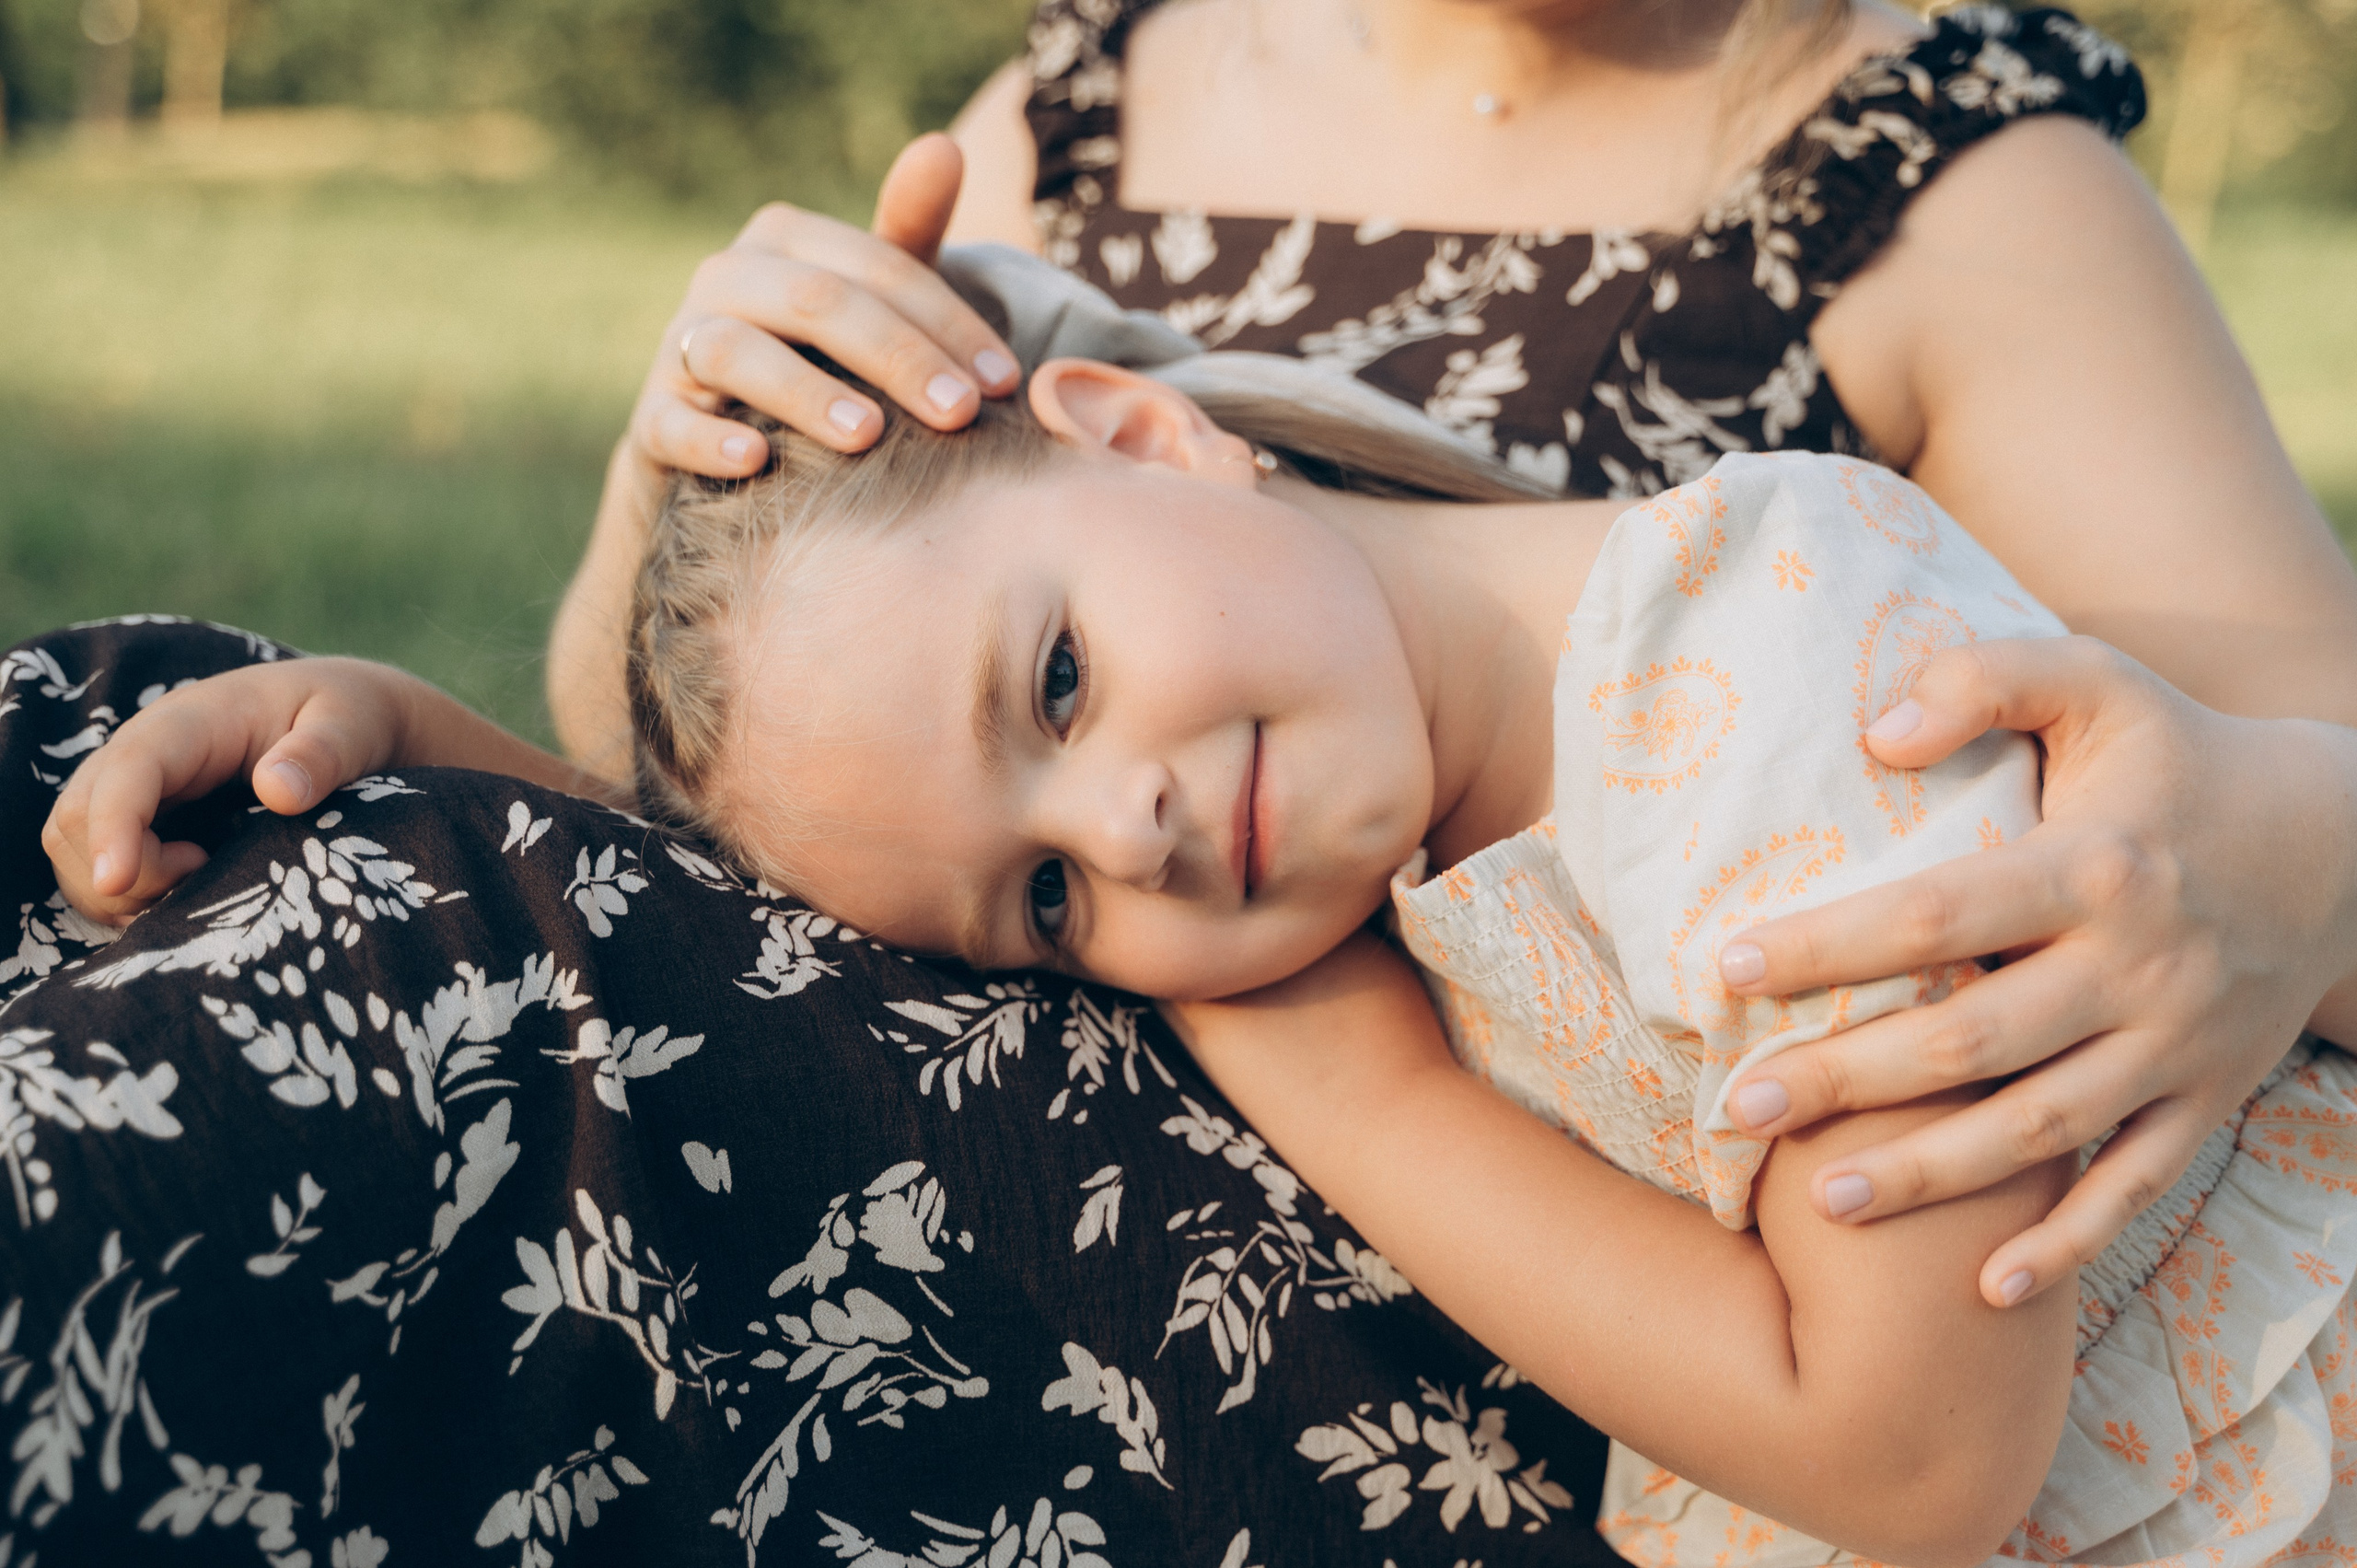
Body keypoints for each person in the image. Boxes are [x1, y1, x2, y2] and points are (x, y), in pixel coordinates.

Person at [48, 302, 2357, 1562]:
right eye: (1044, 898)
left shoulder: (1790, 711)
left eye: (1054, 684)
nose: (1130, 824)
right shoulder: (1381, 766)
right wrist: (444, 756)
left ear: (1143, 435)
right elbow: (824, 928)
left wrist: (1347, 1083)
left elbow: (1911, 1462)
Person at [550, 0, 2357, 1357]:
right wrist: (680, 471)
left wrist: (2285, 846)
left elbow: (2273, 794)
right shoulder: (1083, 104)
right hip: (1000, 1268)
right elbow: (760, 783)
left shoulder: (1919, 165)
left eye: (1066, 681)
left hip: (1513, 1382)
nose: (1133, 816)